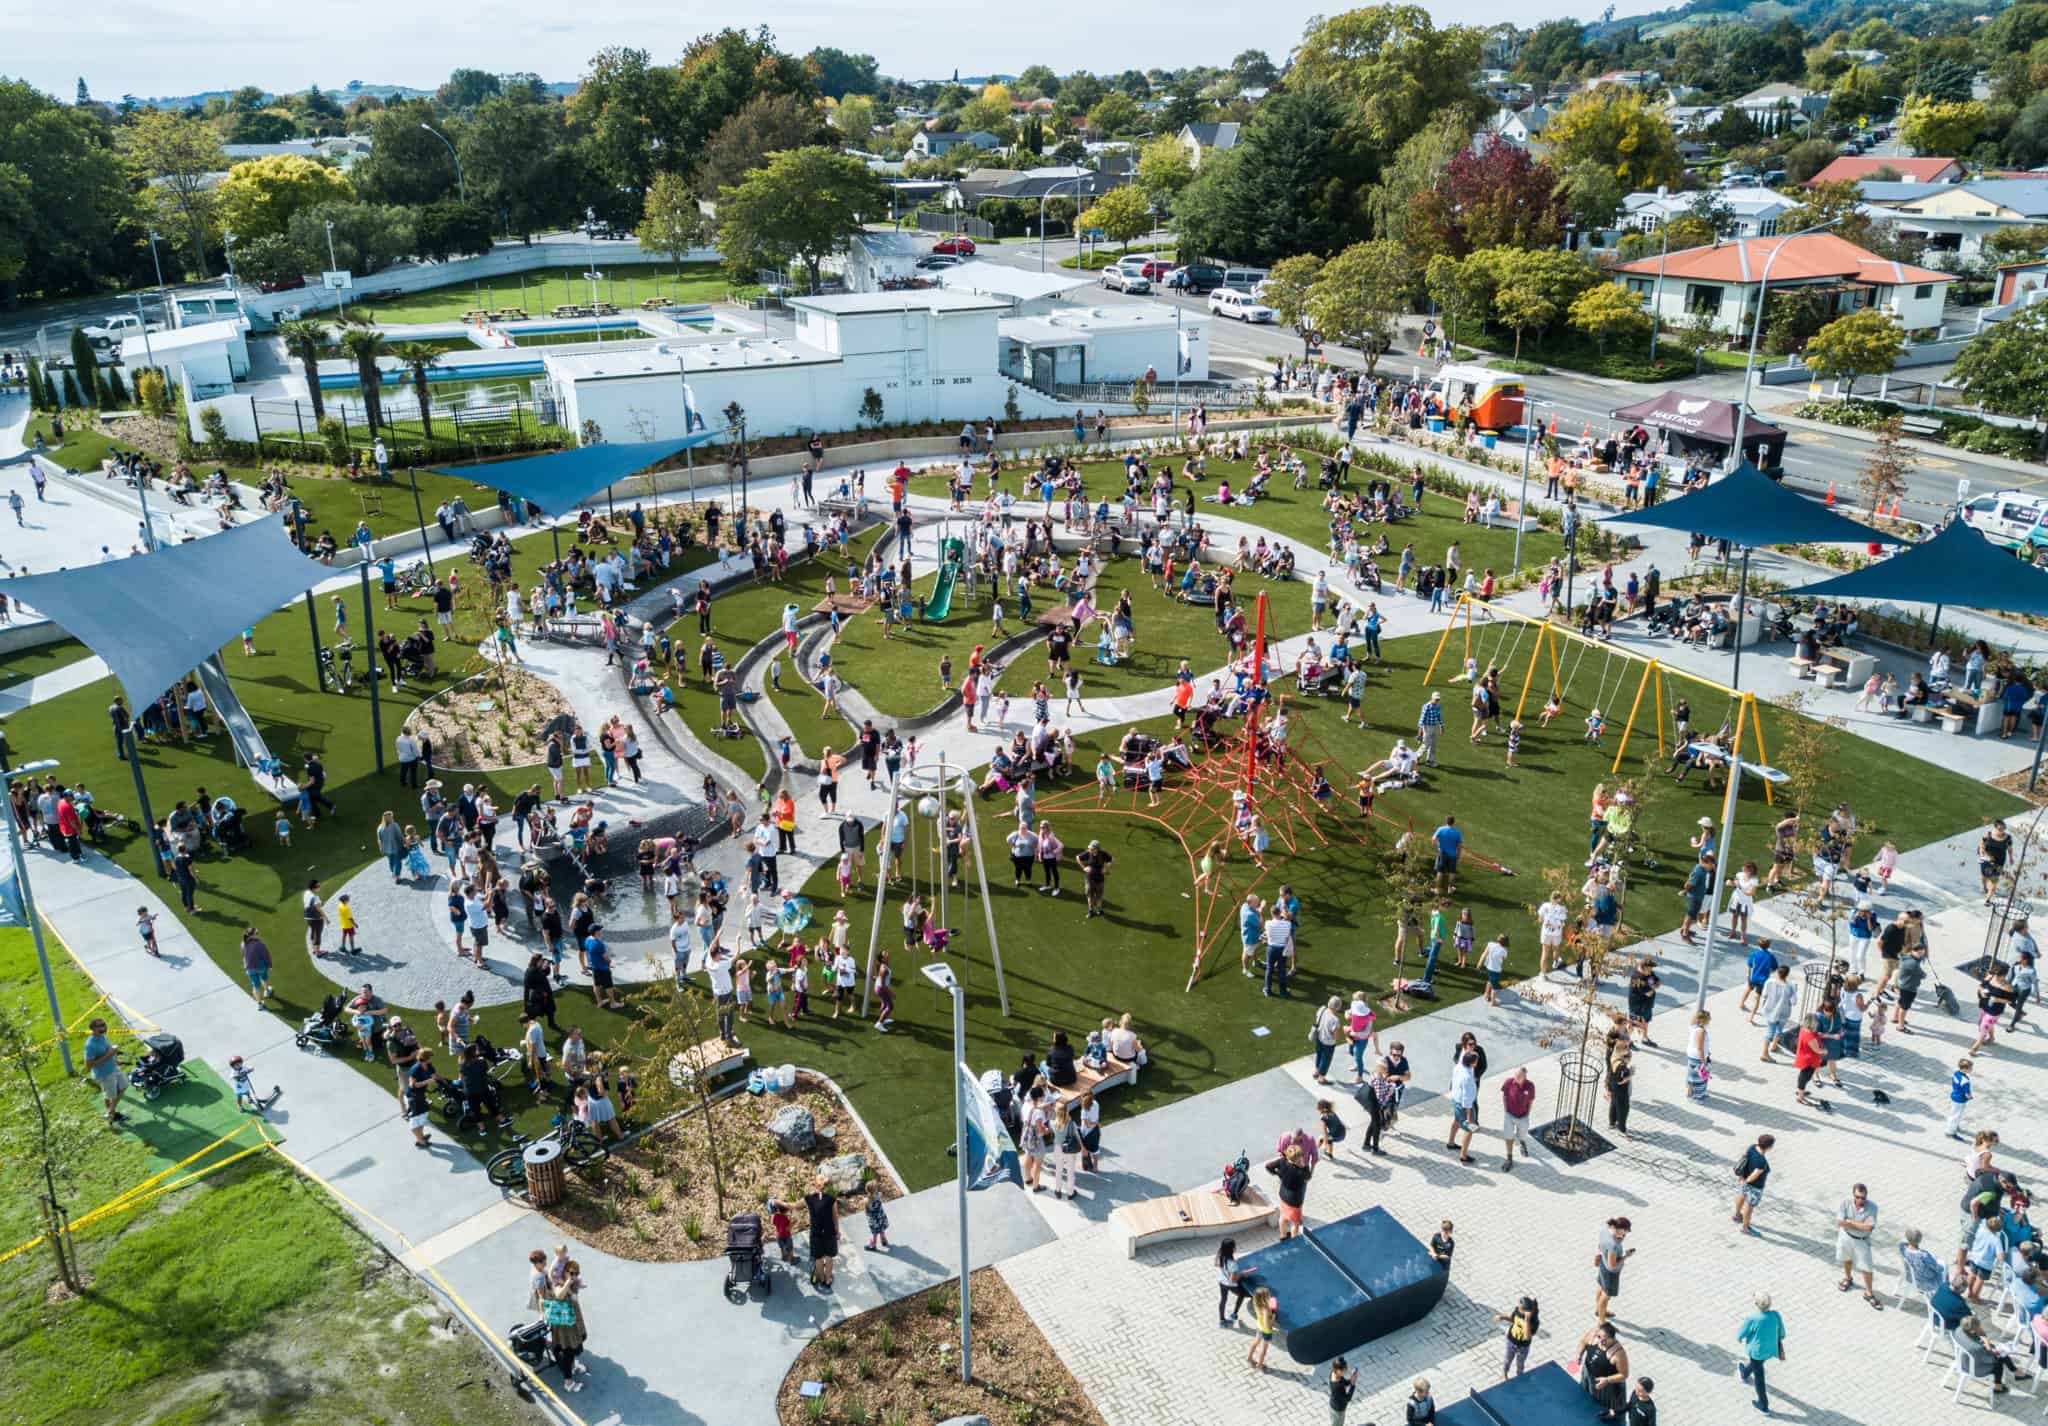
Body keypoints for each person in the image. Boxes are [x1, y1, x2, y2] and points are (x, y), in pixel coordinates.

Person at [1836, 1182, 1881, 1306]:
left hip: (1862, 1241)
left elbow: (1868, 1228)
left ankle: (1868, 1292)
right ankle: (1848, 1278)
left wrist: (1850, 1222)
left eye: (1863, 1197)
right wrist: (1859, 1225)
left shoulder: (1872, 1207)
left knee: (1867, 1267)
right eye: (1857, 1197)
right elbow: (1840, 1222)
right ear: (1853, 1195)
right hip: (1845, 1236)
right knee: (1847, 1258)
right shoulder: (1845, 1203)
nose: (1860, 1200)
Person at [82, 1017, 129, 1125]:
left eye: (104, 1024)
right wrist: (109, 1055)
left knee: (124, 1085)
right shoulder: (90, 1045)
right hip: (105, 1073)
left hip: (113, 1068)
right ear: (93, 1029)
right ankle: (111, 1116)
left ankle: (110, 1111)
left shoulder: (103, 1036)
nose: (104, 1027)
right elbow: (88, 1065)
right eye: (100, 1026)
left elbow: (109, 1050)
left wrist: (116, 1060)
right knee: (110, 1095)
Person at [1264, 1142, 1313, 1239]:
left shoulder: (1282, 1161)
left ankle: (1282, 1236)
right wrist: (1305, 1165)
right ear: (1298, 1158)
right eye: (1301, 1157)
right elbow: (1308, 1176)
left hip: (1283, 1195)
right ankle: (1294, 1241)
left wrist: (1278, 1174)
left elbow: (1268, 1166)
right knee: (1295, 1222)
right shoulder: (1300, 1171)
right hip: (1294, 1201)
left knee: (1283, 1217)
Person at [1732, 1134, 1773, 1237]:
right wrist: (1747, 1182)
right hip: (1755, 1187)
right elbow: (1755, 1174)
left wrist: (1742, 1178)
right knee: (1749, 1207)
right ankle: (1746, 1228)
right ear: (1769, 1147)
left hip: (1743, 1178)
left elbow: (1744, 1158)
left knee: (1741, 1195)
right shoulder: (1762, 1162)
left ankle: (1737, 1215)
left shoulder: (1752, 1147)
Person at [1594, 1217, 1633, 1321]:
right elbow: (1612, 1265)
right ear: (1620, 1229)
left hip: (1603, 1263)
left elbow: (1600, 1245)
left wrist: (1597, 1257)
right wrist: (1626, 1256)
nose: (1624, 1235)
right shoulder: (1613, 1245)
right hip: (1611, 1273)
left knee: (1601, 1286)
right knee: (1606, 1295)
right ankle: (1601, 1320)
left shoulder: (1605, 1230)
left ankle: (1599, 1310)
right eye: (1625, 1233)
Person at [804, 1177, 840, 1288]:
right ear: (827, 1187)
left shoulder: (809, 1199)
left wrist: (780, 1203)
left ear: (815, 1185)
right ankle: (828, 1279)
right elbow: (835, 1217)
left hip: (816, 1234)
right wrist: (837, 1231)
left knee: (818, 1259)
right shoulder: (831, 1199)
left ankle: (821, 1278)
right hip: (829, 1233)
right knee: (829, 1258)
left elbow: (794, 1205)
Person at [1500, 1066, 1535, 1171]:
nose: (1516, 1078)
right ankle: (1509, 1158)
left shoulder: (1530, 1086)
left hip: (1523, 1116)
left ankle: (1522, 1143)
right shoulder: (1508, 1082)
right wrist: (1506, 1109)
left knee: (1522, 1135)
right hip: (1509, 1115)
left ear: (1524, 1077)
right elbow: (1504, 1095)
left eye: (1519, 1076)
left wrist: (1527, 1114)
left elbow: (1530, 1102)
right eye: (1515, 1075)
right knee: (1508, 1136)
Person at [1497, 1296, 1540, 1380]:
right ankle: (1504, 1373)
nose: (1518, 1310)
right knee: (1507, 1360)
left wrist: (1526, 1320)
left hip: (1523, 1347)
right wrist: (1502, 1317)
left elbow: (1527, 1337)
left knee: (1520, 1364)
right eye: (1518, 1308)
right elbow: (1512, 1318)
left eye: (1520, 1309)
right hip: (1511, 1341)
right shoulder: (1518, 1311)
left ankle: (1519, 1377)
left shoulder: (1534, 1321)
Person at [1328, 1356, 1360, 1426]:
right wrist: (1353, 1385)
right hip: (1338, 1411)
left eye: (1346, 1369)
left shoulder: (1334, 1374)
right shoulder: (1337, 1387)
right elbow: (1347, 1398)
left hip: (1333, 1406)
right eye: (1344, 1370)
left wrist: (1351, 1379)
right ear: (1337, 1370)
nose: (1345, 1371)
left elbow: (1344, 1382)